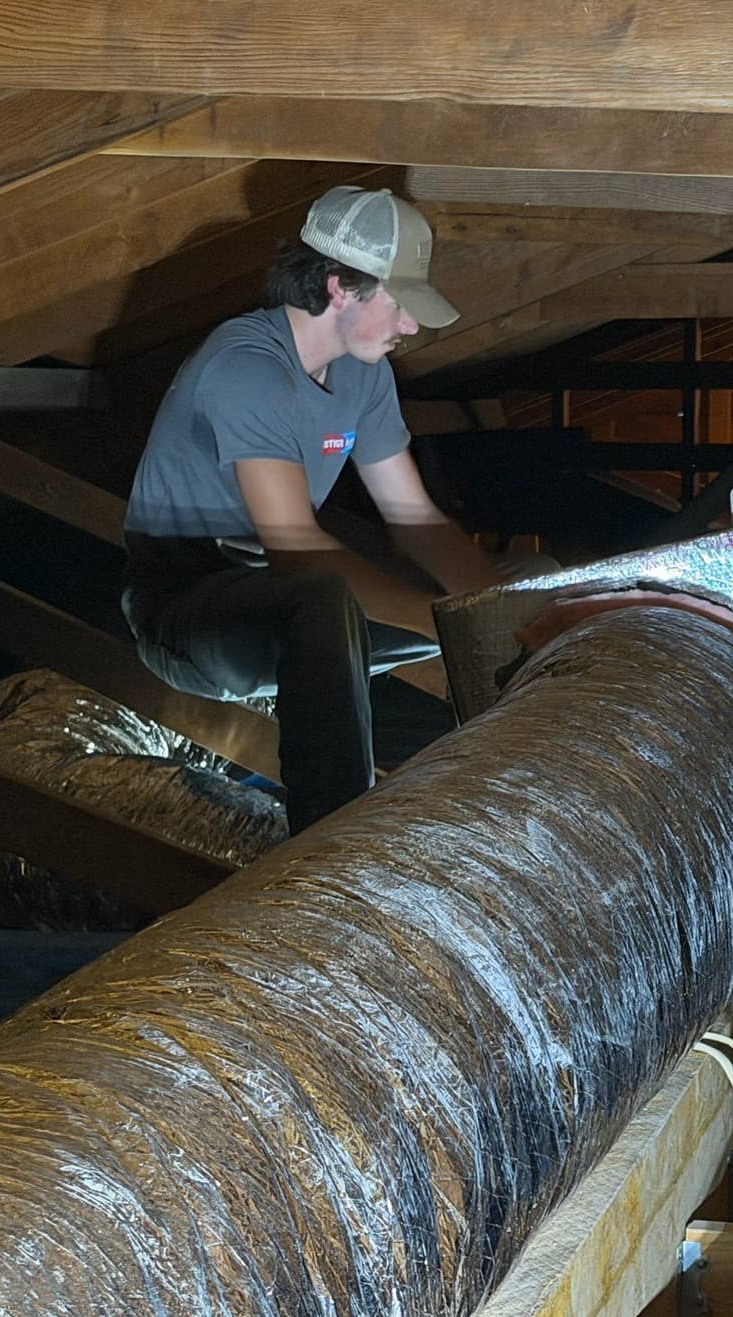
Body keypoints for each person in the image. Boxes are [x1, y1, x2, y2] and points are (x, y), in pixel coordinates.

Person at [121, 185, 501, 834]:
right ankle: (332, 842)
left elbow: (414, 518)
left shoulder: (364, 373)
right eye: (400, 305)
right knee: (322, 599)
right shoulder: (245, 366)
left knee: (527, 582)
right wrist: (455, 624)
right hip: (187, 609)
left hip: (287, 606)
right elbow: (294, 543)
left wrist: (510, 607)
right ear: (338, 288)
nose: (410, 326)